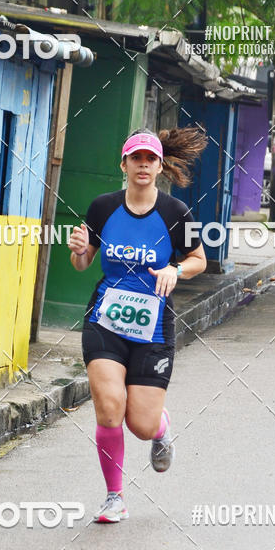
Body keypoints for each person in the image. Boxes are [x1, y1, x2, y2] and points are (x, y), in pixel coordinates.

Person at [67, 127, 208, 523]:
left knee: (141, 425)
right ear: (124, 164)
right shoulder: (102, 207)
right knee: (110, 410)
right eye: (136, 158)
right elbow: (83, 261)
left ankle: (161, 431)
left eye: (151, 159)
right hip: (106, 320)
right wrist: (78, 252)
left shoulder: (177, 213)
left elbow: (200, 259)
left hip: (153, 329)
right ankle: (114, 497)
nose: (143, 165)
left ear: (160, 166)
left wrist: (175, 270)